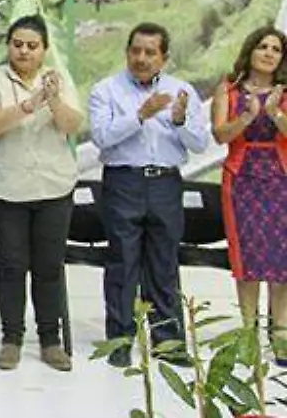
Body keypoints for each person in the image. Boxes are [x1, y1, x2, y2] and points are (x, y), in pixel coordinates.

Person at [88, 22, 209, 369]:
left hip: (166, 184)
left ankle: (168, 342)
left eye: (150, 52)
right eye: (135, 51)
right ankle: (121, 341)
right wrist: (141, 114)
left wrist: (181, 119)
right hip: (123, 182)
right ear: (127, 52)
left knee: (163, 264)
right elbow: (102, 137)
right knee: (122, 263)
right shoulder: (106, 90)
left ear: (164, 57)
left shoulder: (181, 90)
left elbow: (200, 144)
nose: (141, 58)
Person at [0, 15, 83, 372]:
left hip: (53, 187)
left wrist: (52, 100)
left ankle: (51, 341)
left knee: (49, 267)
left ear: (44, 50)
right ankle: (11, 339)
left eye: (32, 45)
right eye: (17, 44)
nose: (23, 51)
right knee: (11, 266)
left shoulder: (58, 79)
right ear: (9, 46)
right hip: (3, 188)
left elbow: (71, 126)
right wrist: (30, 103)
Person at [211, 25, 287, 367]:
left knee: (282, 260)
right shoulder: (227, 90)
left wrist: (274, 113)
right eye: (263, 46)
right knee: (248, 262)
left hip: (281, 178)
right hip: (242, 180)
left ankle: (282, 336)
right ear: (251, 51)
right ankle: (248, 335)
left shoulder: (284, 93)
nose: (269, 53)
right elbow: (220, 135)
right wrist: (248, 115)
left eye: (276, 49)